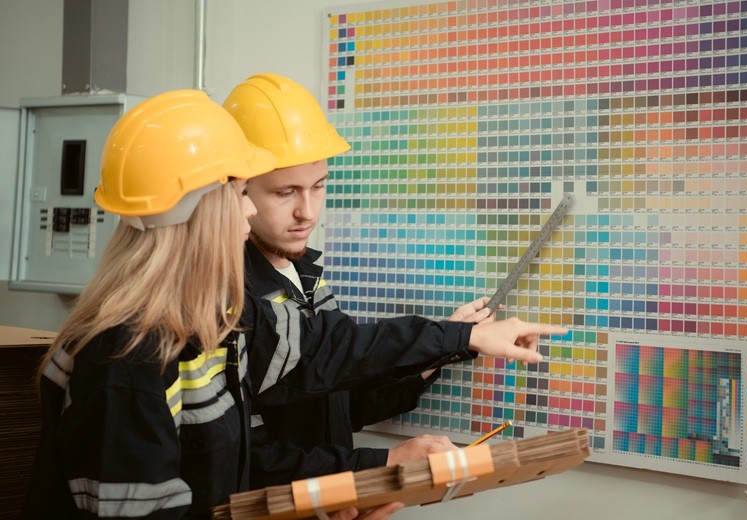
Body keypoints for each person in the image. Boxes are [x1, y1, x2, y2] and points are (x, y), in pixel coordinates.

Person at [22, 89, 565, 519]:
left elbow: (234, 468)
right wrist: (452, 345)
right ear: (202, 215)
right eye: (244, 195)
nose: (249, 214)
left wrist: (340, 490)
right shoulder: (128, 360)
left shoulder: (206, 327)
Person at [222, 73, 515, 487]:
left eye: (318, 187)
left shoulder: (304, 275)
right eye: (285, 193)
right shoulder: (230, 292)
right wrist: (384, 462)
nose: (307, 212)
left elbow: (341, 403)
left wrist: (436, 357)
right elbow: (252, 458)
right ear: (238, 189)